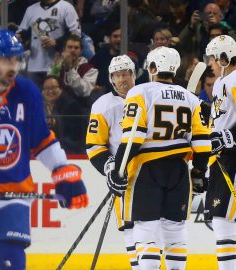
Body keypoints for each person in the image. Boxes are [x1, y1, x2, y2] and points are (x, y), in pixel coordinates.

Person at [0, 29, 88, 269]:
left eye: (16, 59)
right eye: (6, 60)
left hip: (14, 196)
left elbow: (41, 139)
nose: (13, 66)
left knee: (11, 263)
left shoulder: (27, 92)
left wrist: (62, 170)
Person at [106, 46, 212, 270]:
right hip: (180, 171)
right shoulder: (189, 98)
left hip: (148, 169)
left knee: (146, 230)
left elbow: (134, 136)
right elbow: (202, 144)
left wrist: (119, 170)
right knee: (175, 231)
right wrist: (199, 172)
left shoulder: (140, 92)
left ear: (153, 67)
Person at [86, 55, 139, 269]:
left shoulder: (147, 96)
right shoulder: (102, 105)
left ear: (134, 75)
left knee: (156, 226)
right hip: (125, 177)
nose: (123, 78)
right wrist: (111, 168)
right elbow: (94, 145)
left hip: (151, 170)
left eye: (126, 73)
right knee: (129, 227)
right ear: (111, 78)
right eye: (118, 74)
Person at [204, 34, 236, 270]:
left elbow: (225, 130)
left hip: (232, 158)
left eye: (213, 58)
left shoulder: (234, 80)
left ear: (224, 58)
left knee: (224, 220)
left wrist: (228, 137)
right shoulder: (220, 83)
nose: (210, 63)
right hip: (220, 158)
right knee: (220, 219)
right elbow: (217, 120)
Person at [18, 0, 81, 88]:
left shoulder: (66, 7)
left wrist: (57, 42)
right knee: (36, 99)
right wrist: (20, 37)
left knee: (54, 98)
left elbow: (76, 34)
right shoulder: (31, 9)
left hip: (57, 64)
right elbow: (22, 32)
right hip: (34, 64)